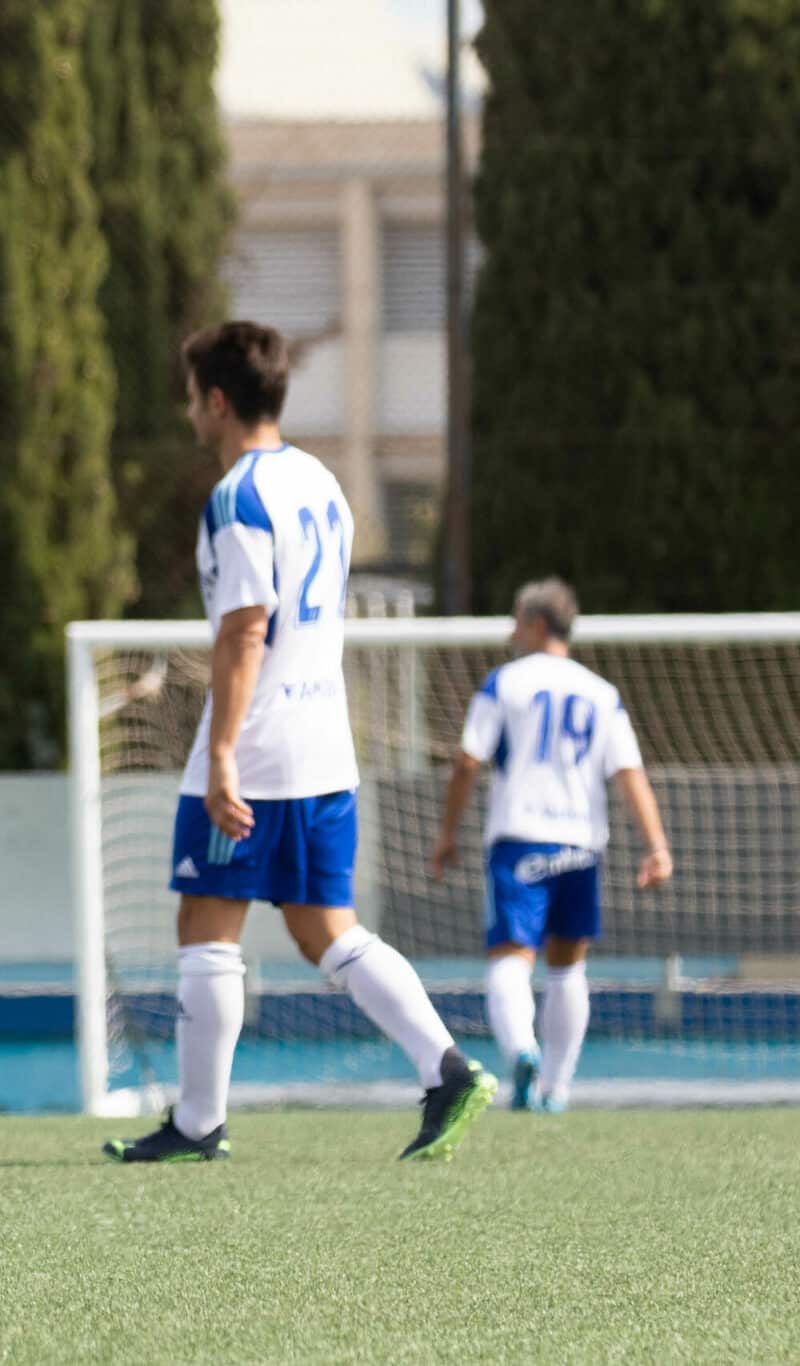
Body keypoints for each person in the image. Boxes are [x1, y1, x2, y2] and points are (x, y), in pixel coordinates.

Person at [103, 322, 497, 1166]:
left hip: (259, 751)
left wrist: (218, 758)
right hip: (325, 745)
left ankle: (200, 1124)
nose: (188, 414)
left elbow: (245, 633)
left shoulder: (238, 496)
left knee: (207, 929)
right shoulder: (322, 482)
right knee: (328, 931)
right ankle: (447, 1067)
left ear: (215, 401)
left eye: (190, 398)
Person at [431, 578, 672, 1112]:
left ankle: (522, 1050)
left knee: (510, 957)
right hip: (581, 843)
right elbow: (628, 772)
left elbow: (469, 759)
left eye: (516, 620)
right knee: (568, 966)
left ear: (537, 625)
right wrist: (656, 845)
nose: (510, 630)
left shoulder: (504, 684)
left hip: (520, 839)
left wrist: (447, 833)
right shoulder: (601, 692)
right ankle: (557, 1089)